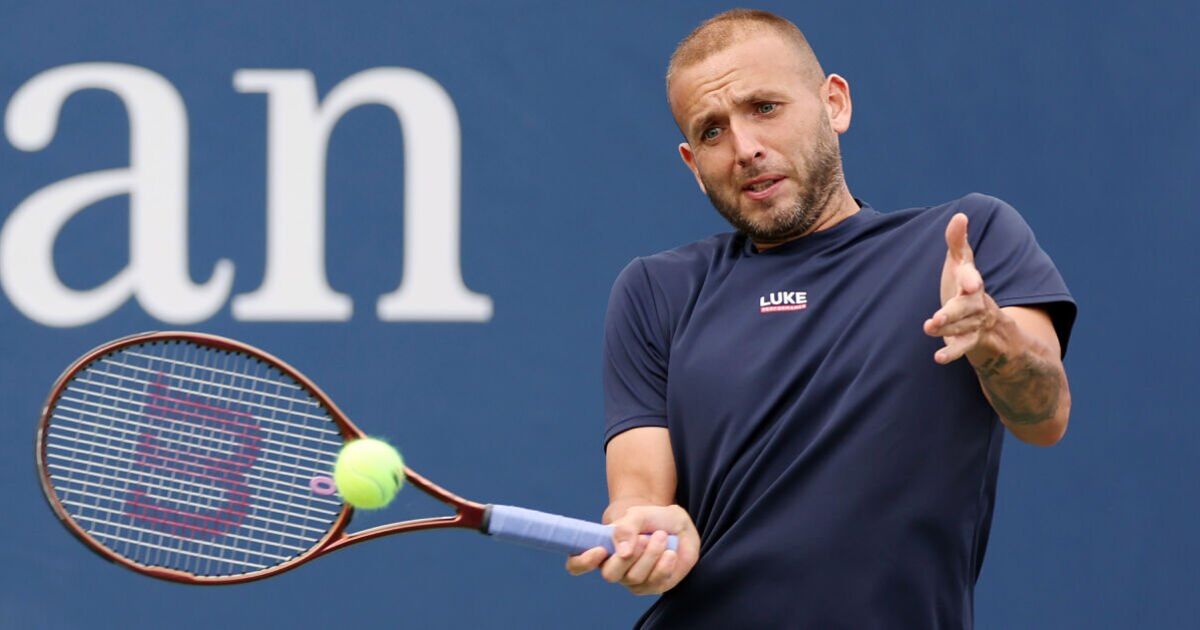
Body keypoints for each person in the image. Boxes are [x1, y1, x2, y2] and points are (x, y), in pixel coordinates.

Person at [566, 8, 1076, 629]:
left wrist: (990, 336)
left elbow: (1044, 416)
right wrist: (647, 534)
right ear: (692, 165)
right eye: (711, 132)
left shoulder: (966, 238)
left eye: (765, 108)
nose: (745, 148)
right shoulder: (655, 290)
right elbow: (639, 495)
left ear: (834, 103)